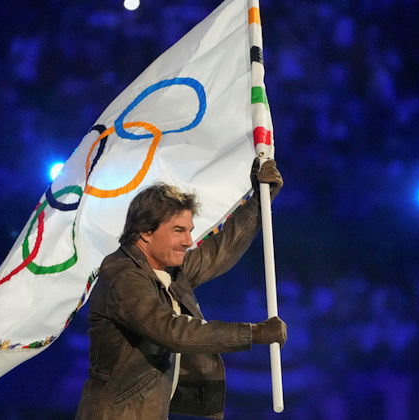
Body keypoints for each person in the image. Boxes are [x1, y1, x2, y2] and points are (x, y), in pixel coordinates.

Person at [75, 159, 287, 419]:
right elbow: (172, 331)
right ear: (145, 232)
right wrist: (253, 333)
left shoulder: (167, 269)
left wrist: (259, 201)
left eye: (189, 231)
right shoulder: (123, 277)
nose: (188, 241)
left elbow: (219, 252)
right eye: (178, 231)